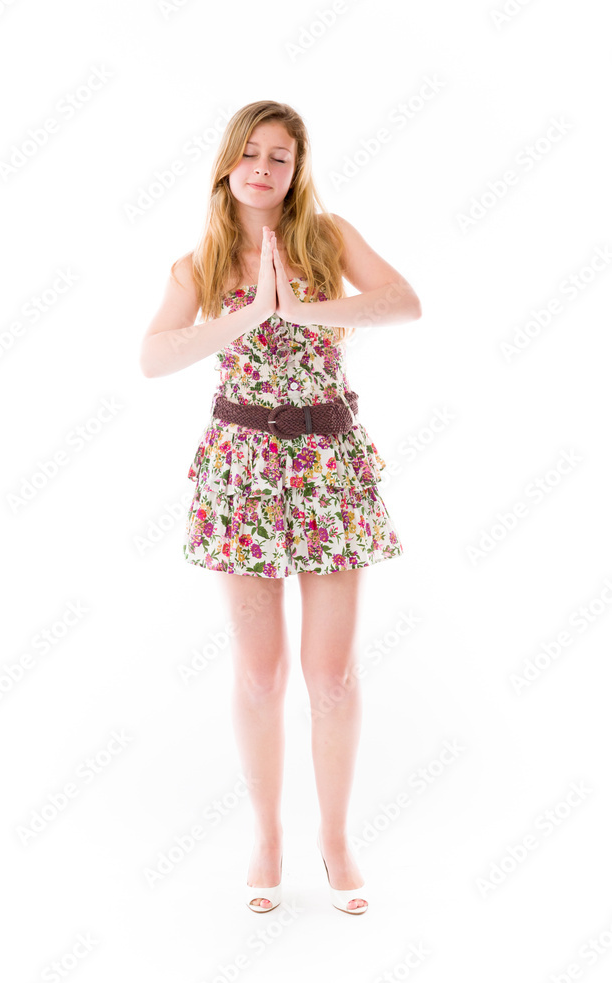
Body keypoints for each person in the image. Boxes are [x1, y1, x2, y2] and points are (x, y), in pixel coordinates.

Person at [140, 100, 421, 914]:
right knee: (259, 677)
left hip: (329, 462)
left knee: (329, 675)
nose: (265, 168)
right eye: (252, 153)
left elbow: (403, 303)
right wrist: (251, 313)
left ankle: (334, 839)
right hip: (241, 470)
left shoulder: (326, 237)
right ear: (228, 163)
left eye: (281, 157)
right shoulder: (195, 265)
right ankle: (267, 835)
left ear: (297, 170)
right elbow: (152, 358)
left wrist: (298, 305)